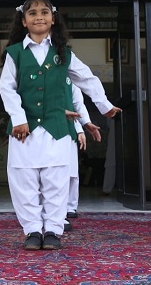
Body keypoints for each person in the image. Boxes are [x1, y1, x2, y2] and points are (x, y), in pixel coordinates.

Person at [0, 0, 121, 251]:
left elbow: (87, 79)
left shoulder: (63, 53)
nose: (39, 16)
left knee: (56, 181)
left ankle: (53, 229)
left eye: (44, 12)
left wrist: (104, 105)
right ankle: (32, 229)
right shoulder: (14, 54)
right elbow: (6, 88)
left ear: (53, 19)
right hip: (25, 131)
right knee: (25, 181)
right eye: (32, 13)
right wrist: (19, 119)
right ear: (23, 21)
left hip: (57, 130)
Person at [66, 85, 101, 223]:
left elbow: (78, 106)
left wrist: (81, 129)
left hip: (68, 129)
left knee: (71, 172)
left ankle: (70, 206)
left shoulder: (71, 82)